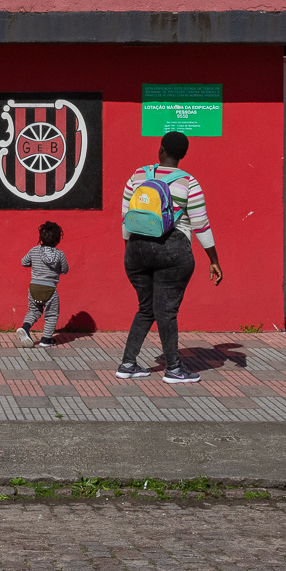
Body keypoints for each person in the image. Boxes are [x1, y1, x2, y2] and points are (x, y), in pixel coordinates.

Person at [116, 131, 223, 384]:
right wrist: (213, 259)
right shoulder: (189, 182)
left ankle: (128, 364)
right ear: (183, 155)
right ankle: (174, 369)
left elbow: (125, 217)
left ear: (161, 149)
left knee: (146, 308)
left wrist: (129, 249)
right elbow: (200, 224)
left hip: (136, 248)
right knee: (167, 311)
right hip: (172, 250)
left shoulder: (138, 175)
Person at [17, 220, 68, 348]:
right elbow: (65, 270)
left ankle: (26, 328)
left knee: (34, 310)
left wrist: (34, 264)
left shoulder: (34, 250)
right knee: (52, 314)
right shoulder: (60, 254)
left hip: (34, 287)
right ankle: (46, 339)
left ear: (41, 237)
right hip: (50, 288)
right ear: (58, 239)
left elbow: (23, 262)